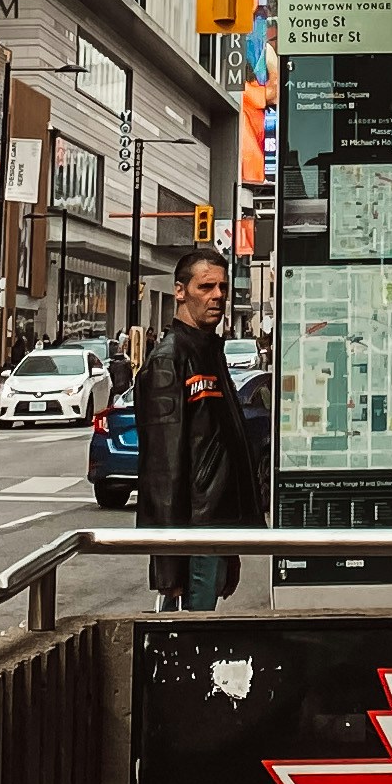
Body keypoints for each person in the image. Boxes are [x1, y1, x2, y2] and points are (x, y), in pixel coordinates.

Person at [135, 243, 264, 612]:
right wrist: (169, 562)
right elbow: (163, 470)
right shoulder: (169, 360)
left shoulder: (209, 353)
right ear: (180, 291)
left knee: (202, 638)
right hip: (194, 535)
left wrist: (233, 544)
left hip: (215, 530)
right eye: (205, 287)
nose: (217, 296)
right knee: (190, 643)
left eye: (222, 287)